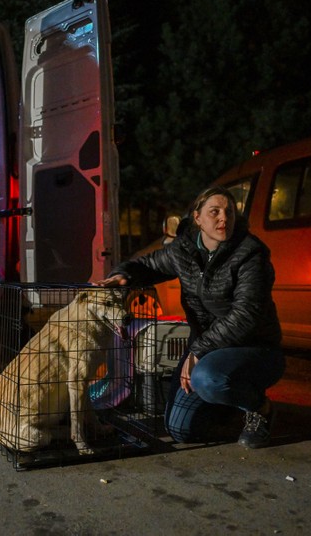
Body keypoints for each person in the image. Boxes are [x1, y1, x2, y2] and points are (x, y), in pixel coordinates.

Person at [96, 186, 284, 448]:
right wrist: (123, 275)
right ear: (197, 217)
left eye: (229, 212)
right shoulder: (184, 250)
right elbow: (147, 265)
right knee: (179, 428)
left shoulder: (251, 253)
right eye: (214, 212)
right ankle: (227, 404)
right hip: (207, 348)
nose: (224, 218)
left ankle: (260, 409)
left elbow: (246, 315)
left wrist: (197, 350)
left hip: (252, 347)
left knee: (206, 378)